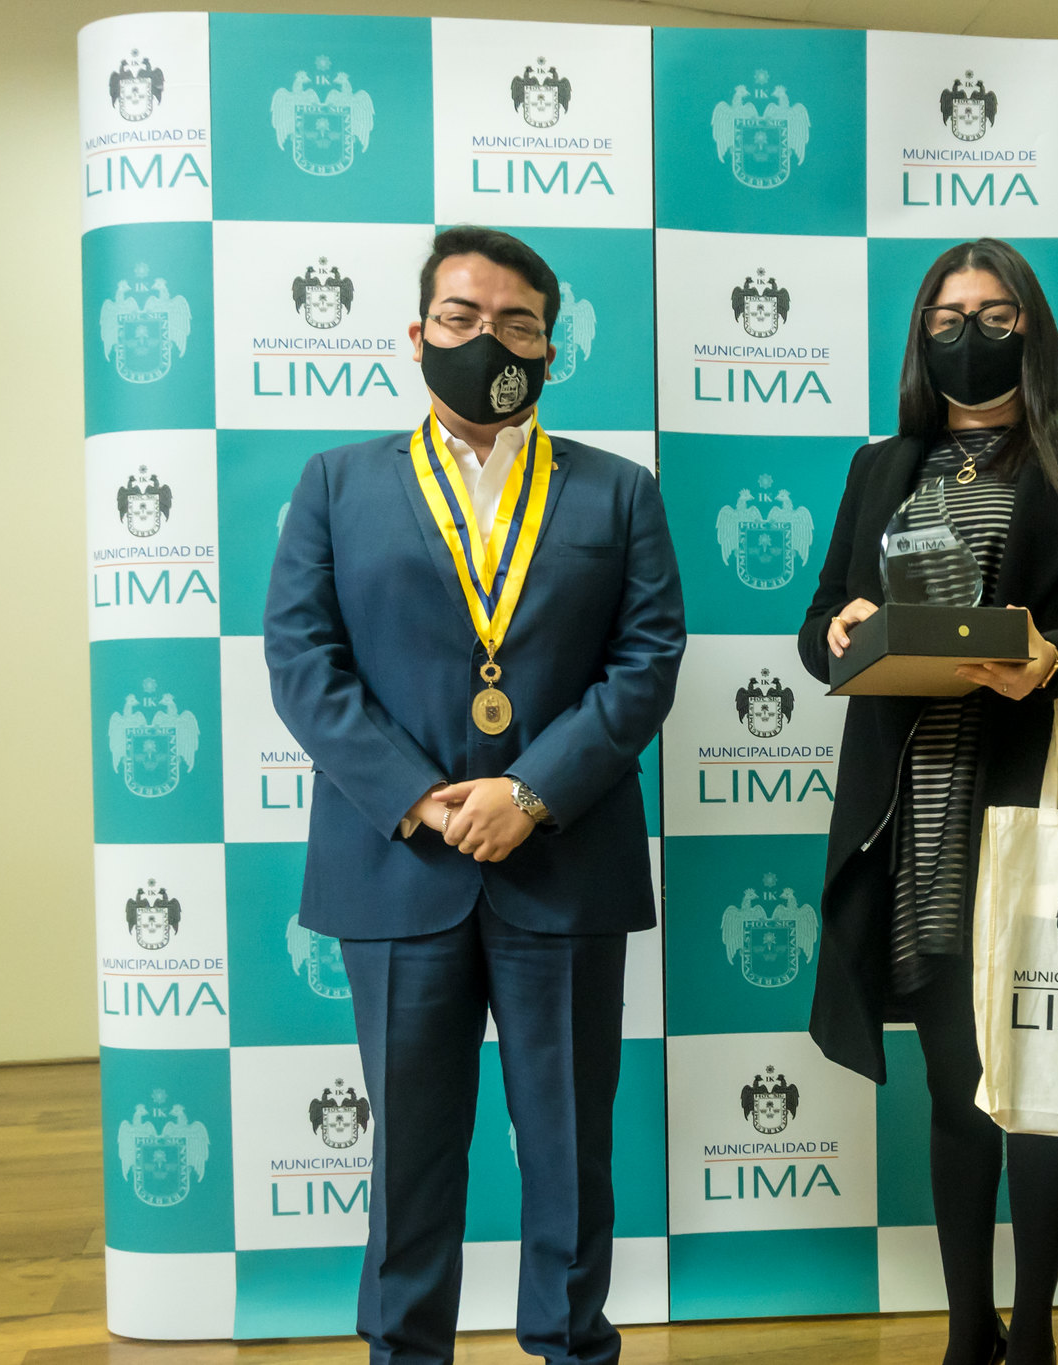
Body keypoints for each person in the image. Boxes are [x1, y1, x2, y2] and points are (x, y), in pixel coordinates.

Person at [264, 225, 685, 1365]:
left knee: (568, 1149)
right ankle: (405, 1353)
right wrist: (423, 797)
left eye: (515, 322)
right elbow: (302, 662)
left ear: (549, 347)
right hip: (399, 864)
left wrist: (530, 793)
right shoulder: (337, 484)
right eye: (461, 316)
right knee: (408, 1152)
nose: (485, 338)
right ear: (418, 334)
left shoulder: (618, 491)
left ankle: (572, 1347)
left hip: (564, 863)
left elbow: (645, 663)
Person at [798, 238, 1058, 1365]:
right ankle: (968, 1330)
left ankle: (1036, 1332)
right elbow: (820, 623)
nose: (970, 332)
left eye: (996, 313)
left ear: (1032, 329)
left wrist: (1054, 656)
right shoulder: (881, 465)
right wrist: (840, 629)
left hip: (1044, 800)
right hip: (918, 811)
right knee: (957, 1085)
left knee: (1040, 1080)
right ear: (921, 336)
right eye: (947, 315)